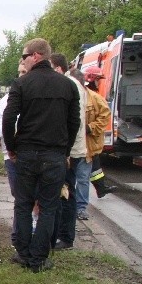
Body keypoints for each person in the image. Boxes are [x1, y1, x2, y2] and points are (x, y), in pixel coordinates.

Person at [3, 38, 80, 273]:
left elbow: (8, 119)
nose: (22, 60)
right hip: (54, 154)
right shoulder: (68, 86)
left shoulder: (22, 84)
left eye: (24, 56)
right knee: (49, 206)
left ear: (36, 56)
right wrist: (64, 151)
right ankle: (39, 258)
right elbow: (73, 122)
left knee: (23, 204)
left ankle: (24, 253)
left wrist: (12, 147)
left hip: (26, 152)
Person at [48, 55, 87, 251]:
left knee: (65, 193)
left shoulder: (69, 85)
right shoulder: (73, 84)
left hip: (70, 151)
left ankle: (65, 236)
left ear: (58, 68)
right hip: (71, 149)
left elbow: (73, 121)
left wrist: (65, 151)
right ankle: (63, 235)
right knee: (65, 192)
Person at [0, 60, 28, 247]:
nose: (22, 75)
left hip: (35, 153)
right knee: (20, 197)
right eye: (20, 71)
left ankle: (34, 236)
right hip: (12, 155)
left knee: (36, 197)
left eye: (25, 71)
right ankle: (19, 237)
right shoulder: (7, 100)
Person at [82, 66, 115, 208]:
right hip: (84, 142)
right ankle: (81, 204)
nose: (99, 83)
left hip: (89, 141)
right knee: (84, 172)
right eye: (98, 79)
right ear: (91, 79)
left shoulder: (93, 95)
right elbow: (104, 115)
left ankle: (101, 188)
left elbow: (104, 115)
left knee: (94, 164)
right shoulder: (90, 96)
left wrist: (91, 128)